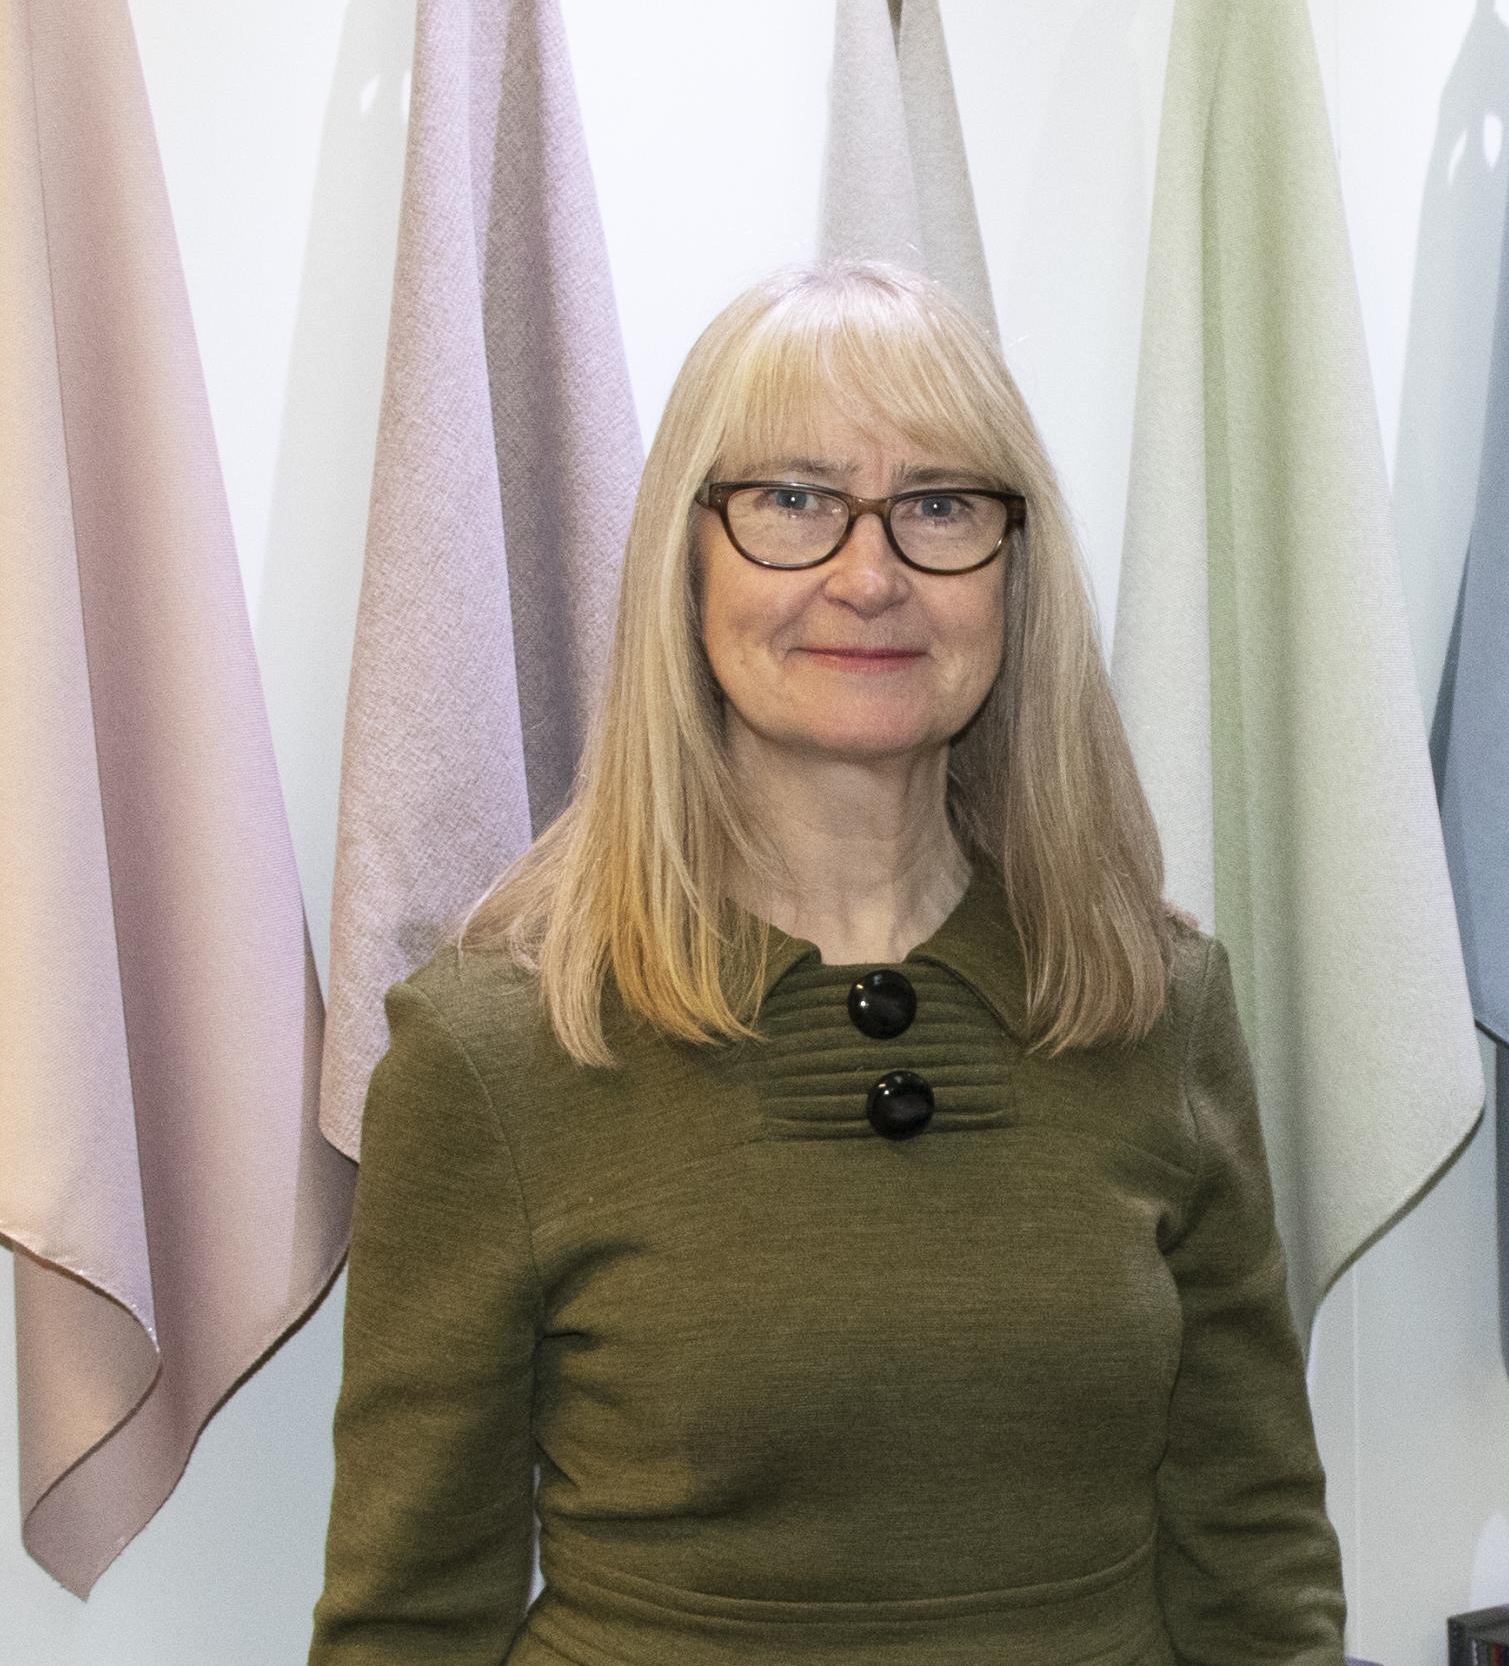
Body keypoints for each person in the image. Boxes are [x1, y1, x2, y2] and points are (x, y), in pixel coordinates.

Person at [307, 259, 1348, 1666]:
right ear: (690, 558)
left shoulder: (1156, 1005)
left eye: (939, 505)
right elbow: (409, 1625)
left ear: (1014, 570)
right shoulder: (499, 1047)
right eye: (793, 500)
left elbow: (1259, 1563)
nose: (871, 575)